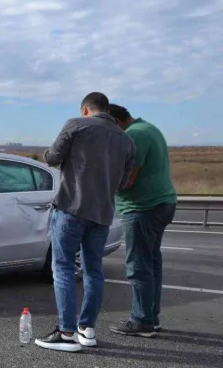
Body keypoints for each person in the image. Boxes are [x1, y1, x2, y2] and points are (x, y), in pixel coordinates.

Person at [35, 92, 136, 352]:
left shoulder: (76, 125)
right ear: (107, 110)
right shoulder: (126, 140)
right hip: (102, 215)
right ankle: (86, 329)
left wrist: (47, 155)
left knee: (64, 269)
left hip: (72, 208)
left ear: (85, 110)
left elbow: (53, 157)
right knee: (94, 271)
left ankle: (66, 333)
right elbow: (124, 183)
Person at [107, 104, 178, 338]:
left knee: (138, 266)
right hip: (161, 203)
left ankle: (141, 321)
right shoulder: (149, 128)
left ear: (116, 122)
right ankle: (151, 318)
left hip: (142, 208)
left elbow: (129, 179)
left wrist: (105, 186)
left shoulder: (133, 135)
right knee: (151, 264)